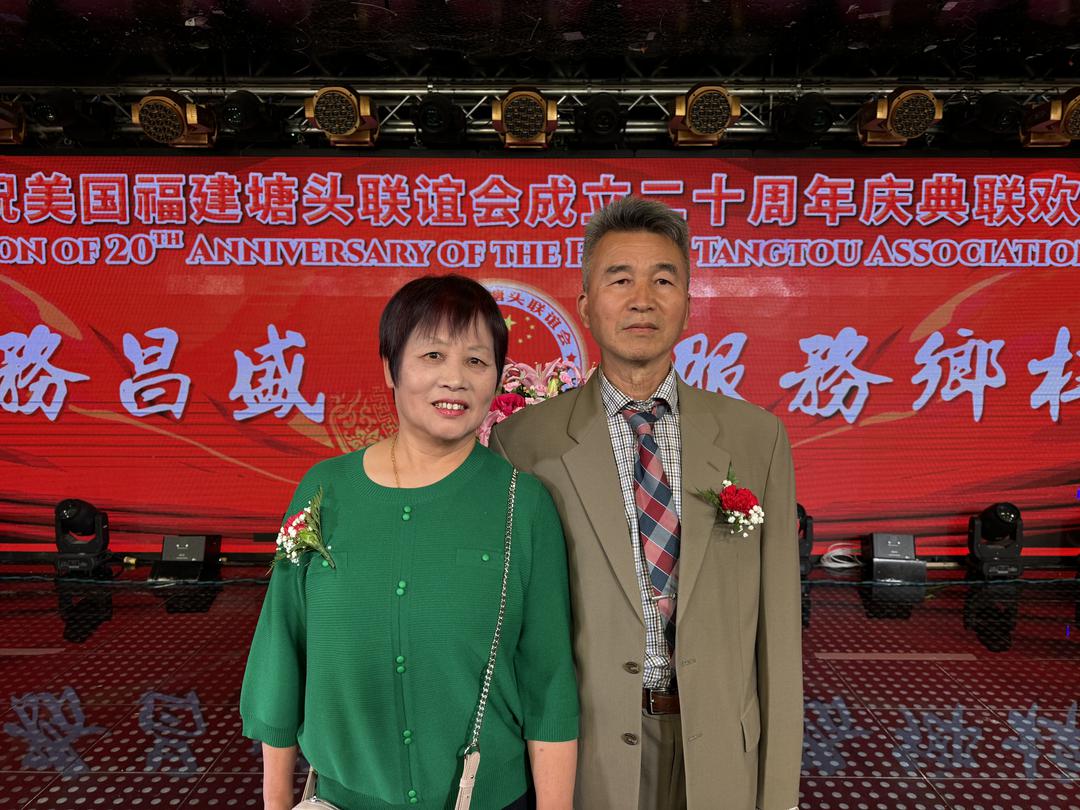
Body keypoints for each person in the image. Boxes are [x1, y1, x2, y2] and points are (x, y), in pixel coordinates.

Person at [490, 197, 802, 810]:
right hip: (590, 754)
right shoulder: (525, 444)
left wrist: (779, 793)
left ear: (688, 303)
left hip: (722, 750)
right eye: (620, 279)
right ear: (586, 305)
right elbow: (514, 628)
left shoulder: (755, 438)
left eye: (663, 280)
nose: (642, 299)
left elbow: (779, 630)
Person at [241, 274, 579, 810]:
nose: (455, 378)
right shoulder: (325, 491)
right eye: (432, 355)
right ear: (390, 368)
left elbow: (549, 682)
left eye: (476, 360)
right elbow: (282, 650)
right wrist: (276, 802)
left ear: (497, 377)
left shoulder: (524, 503)